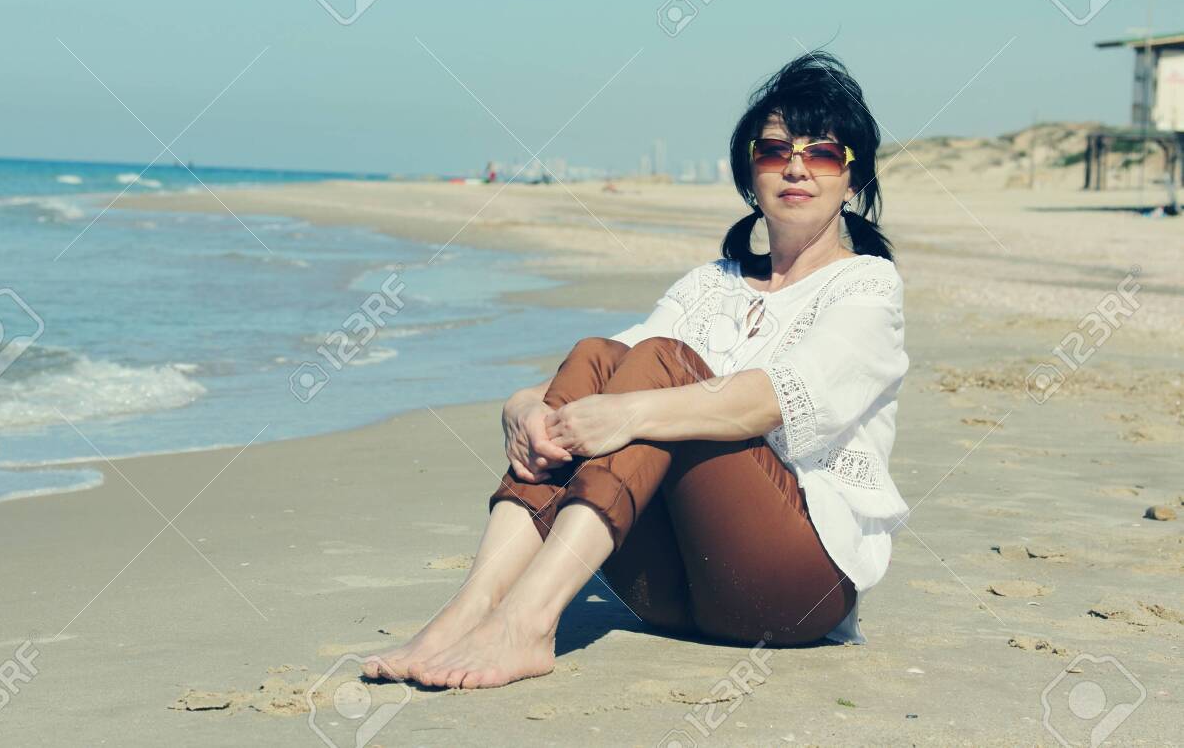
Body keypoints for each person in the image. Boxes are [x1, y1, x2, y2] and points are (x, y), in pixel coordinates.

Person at [363, 51, 910, 689]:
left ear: (852, 176)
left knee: (656, 368)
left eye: (821, 153)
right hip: (674, 592)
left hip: (792, 590)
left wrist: (629, 411)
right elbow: (608, 371)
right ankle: (471, 609)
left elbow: (772, 399)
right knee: (598, 353)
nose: (794, 166)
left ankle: (529, 622)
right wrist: (523, 408)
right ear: (749, 171)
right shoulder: (712, 284)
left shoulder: (867, 288)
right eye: (773, 150)